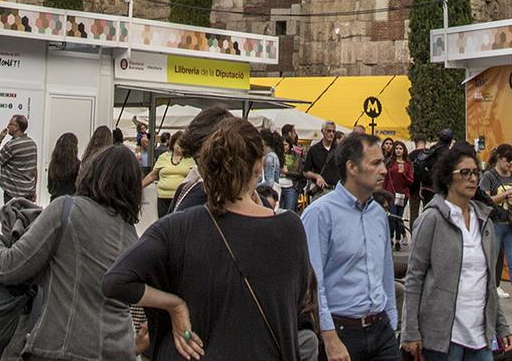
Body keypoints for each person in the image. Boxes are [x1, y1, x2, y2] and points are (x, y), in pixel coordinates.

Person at [104, 118, 311, 361]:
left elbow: (115, 281)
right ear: (258, 166)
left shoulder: (178, 227)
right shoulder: (289, 229)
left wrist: (174, 305)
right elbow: (296, 301)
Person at [0, 143, 141, 361]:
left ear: (91, 173)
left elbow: (11, 266)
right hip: (118, 350)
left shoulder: (67, 209)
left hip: (65, 347)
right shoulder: (131, 236)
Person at [401, 141, 509, 361]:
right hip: (443, 338)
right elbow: (414, 277)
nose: (473, 178)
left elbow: (488, 280)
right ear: (448, 177)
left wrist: (501, 325)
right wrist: (410, 331)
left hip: (480, 337)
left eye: (476, 173)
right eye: (465, 173)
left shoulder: (484, 220)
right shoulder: (432, 218)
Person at [302, 132, 400, 361]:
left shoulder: (378, 213)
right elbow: (313, 284)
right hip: (341, 332)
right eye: (375, 163)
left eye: (383, 163)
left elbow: (385, 272)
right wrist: (329, 337)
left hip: (381, 330)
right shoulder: (320, 214)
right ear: (352, 167)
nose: (383, 170)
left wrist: (392, 321)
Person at [477, 144, 512, 318]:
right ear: (499, 158)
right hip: (494, 224)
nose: (510, 163)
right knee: (490, 262)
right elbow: (485, 200)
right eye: (508, 159)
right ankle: (484, 301)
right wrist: (506, 193)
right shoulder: (488, 176)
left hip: (511, 224)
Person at [144, 136, 193, 221]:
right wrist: (139, 186)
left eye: (183, 143)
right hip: (163, 198)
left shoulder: (190, 159)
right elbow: (153, 175)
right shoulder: (163, 157)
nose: (180, 146)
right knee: (163, 223)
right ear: (173, 144)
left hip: (182, 198)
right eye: (178, 143)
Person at [0, 114, 38, 205]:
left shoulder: (11, 145)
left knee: (10, 214)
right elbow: (34, 169)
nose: (7, 126)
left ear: (16, 127)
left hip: (13, 194)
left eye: (10, 124)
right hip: (28, 193)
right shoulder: (32, 144)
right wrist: (34, 190)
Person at [298, 123, 342, 202]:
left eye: (333, 131)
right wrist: (317, 176)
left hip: (336, 191)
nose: (331, 134)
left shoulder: (340, 150)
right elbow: (305, 172)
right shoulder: (314, 150)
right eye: (329, 131)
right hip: (320, 191)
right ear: (322, 131)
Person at [382, 140, 414, 241]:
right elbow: (386, 179)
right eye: (396, 148)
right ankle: (391, 238)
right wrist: (383, 194)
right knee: (392, 216)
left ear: (404, 150)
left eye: (400, 148)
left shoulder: (408, 164)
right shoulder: (390, 163)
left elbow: (411, 181)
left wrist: (403, 174)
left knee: (399, 218)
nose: (398, 150)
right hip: (391, 193)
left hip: (403, 195)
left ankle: (398, 240)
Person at [49, 132, 81, 199]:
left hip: (55, 200)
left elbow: (50, 188)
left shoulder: (53, 165)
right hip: (71, 201)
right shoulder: (77, 165)